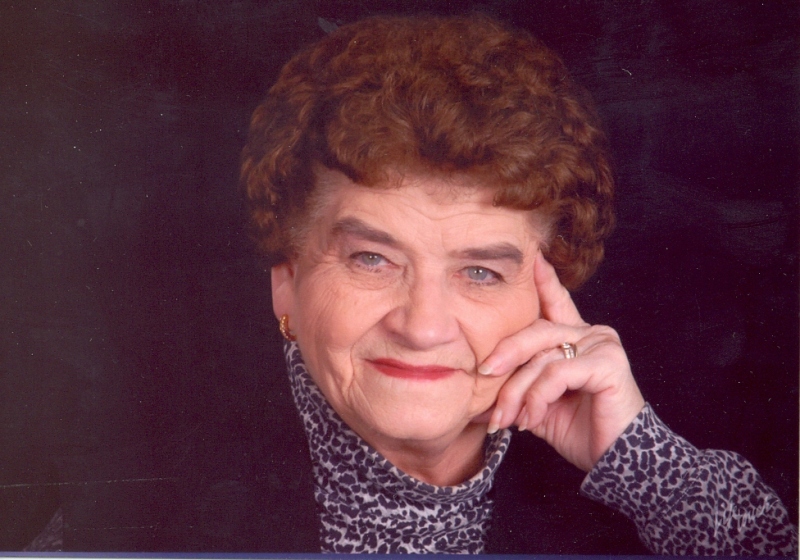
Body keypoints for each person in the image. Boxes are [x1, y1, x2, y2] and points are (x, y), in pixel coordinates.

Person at [191, 13, 797, 555]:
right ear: (287, 279)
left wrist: (643, 465)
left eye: (480, 273)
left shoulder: (616, 477)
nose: (423, 327)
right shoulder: (160, 481)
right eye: (373, 259)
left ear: (545, 298)